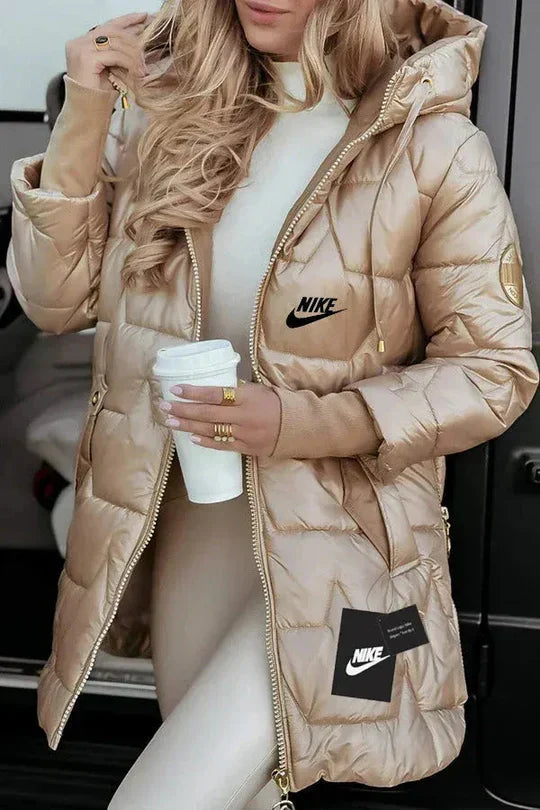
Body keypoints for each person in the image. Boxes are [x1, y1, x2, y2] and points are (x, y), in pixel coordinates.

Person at [6, 0, 539, 808]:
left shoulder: (433, 147)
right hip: (195, 536)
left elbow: (493, 373)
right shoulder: (171, 126)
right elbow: (55, 303)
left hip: (352, 565)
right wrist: (86, 109)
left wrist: (296, 421)